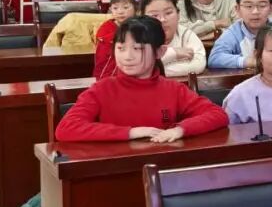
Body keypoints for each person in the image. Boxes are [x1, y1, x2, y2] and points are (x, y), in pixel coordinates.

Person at [56, 16, 228, 143]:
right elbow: (66, 128)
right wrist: (131, 132)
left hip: (162, 166)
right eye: (121, 48)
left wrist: (181, 129)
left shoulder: (173, 89)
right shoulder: (101, 89)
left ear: (160, 52)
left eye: (137, 49)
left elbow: (217, 114)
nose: (127, 57)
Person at [141, 0, 206, 77]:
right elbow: (141, 66)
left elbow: (198, 65)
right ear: (143, 19)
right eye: (154, 15)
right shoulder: (138, 38)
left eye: (168, 13)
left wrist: (156, 69)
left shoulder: (186, 34)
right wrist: (173, 53)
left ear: (178, 15)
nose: (162, 19)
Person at [93, 0, 137, 79]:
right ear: (110, 9)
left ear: (135, 7)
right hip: (108, 75)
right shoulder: (106, 28)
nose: (120, 12)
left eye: (125, 7)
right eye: (115, 8)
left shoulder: (140, 26)